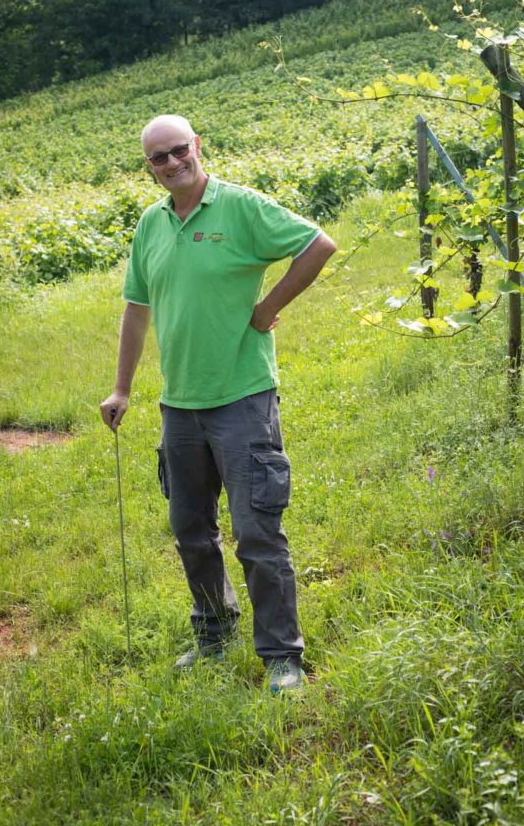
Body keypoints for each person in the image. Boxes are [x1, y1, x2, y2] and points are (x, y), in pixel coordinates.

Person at [100, 114, 336, 693]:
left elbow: (317, 244)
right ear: (149, 167)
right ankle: (213, 631)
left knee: (257, 531)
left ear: (197, 146)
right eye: (159, 157)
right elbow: (136, 308)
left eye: (179, 150)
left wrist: (268, 306)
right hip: (179, 405)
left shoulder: (240, 207)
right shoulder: (150, 226)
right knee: (190, 529)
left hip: (242, 398)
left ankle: (282, 657)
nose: (172, 162)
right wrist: (123, 388)